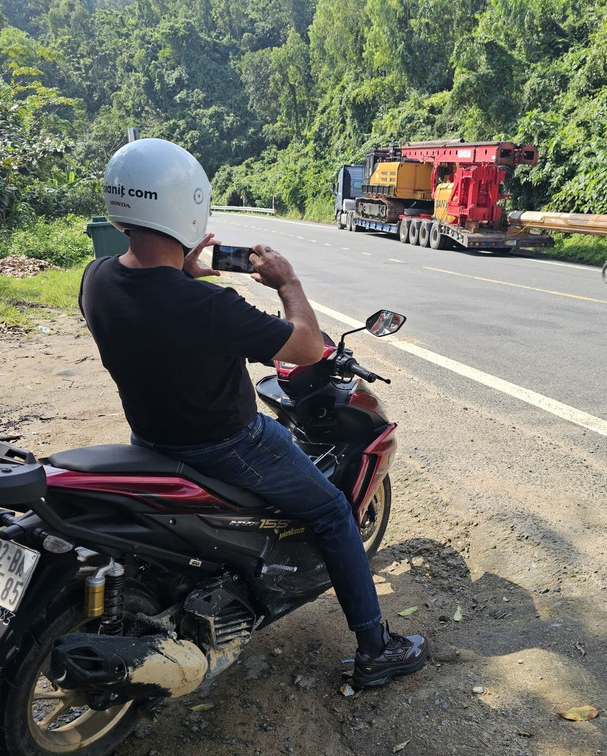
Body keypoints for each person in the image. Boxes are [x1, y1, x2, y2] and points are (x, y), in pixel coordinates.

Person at [79, 137, 427, 688]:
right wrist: (288, 281)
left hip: (149, 439)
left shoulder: (95, 279)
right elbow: (309, 347)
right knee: (335, 512)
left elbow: (151, 312)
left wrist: (183, 273)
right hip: (231, 446)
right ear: (187, 206)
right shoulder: (210, 306)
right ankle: (376, 648)